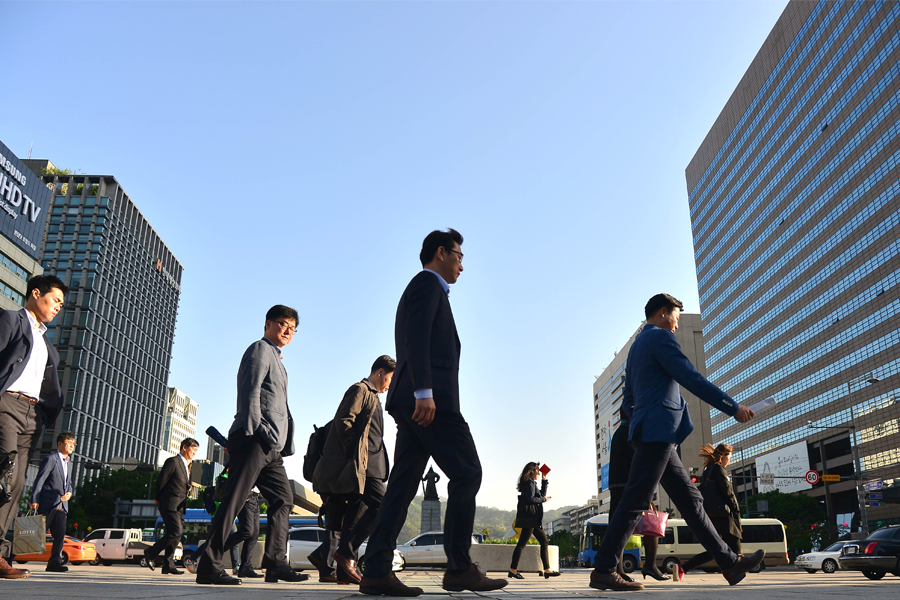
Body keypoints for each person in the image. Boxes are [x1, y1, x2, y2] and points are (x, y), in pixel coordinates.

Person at [360, 229, 506, 596]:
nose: (462, 264)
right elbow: (416, 338)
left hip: (417, 400)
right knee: (467, 471)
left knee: (403, 485)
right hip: (428, 401)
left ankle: (376, 569)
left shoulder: (429, 288)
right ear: (441, 252)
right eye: (459, 255)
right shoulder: (427, 284)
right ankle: (458, 566)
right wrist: (424, 391)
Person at [589, 293, 763, 592]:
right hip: (657, 430)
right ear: (662, 312)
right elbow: (690, 377)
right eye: (676, 318)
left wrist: (638, 423)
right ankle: (604, 569)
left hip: (653, 431)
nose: (676, 326)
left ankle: (730, 564)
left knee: (691, 500)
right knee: (636, 500)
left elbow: (628, 400)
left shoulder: (636, 348)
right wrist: (733, 407)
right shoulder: (659, 339)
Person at [195, 305, 308, 586]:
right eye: (283, 324)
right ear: (268, 323)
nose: (287, 331)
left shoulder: (278, 359)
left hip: (272, 446)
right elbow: (250, 390)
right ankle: (209, 566)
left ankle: (276, 563)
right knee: (234, 498)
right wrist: (254, 430)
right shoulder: (259, 349)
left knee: (284, 499)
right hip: (255, 438)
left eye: (293, 328)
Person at [0, 274, 67, 579]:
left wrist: (42, 416)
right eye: (55, 300)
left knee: (14, 487)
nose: (58, 308)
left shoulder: (47, 345)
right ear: (36, 293)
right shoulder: (11, 321)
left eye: (62, 305)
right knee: (5, 474)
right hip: (7, 405)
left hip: (32, 415)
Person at [313, 355, 395, 585]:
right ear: (380, 372)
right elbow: (343, 421)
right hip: (365, 466)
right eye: (389, 378)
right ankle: (347, 553)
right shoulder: (360, 389)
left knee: (356, 513)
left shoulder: (374, 397)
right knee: (385, 506)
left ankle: (342, 570)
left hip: (372, 466)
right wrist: (356, 453)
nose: (390, 384)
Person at [607, 406, 669, 582]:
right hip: (629, 488)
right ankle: (648, 566)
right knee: (649, 526)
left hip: (618, 487)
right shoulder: (630, 433)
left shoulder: (621, 432)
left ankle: (618, 569)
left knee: (617, 528)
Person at [681, 443, 742, 573]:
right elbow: (728, 492)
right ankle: (736, 570)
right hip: (724, 514)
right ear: (723, 456)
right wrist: (736, 510)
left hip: (711, 514)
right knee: (735, 543)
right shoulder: (719, 469)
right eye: (729, 458)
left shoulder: (707, 470)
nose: (729, 461)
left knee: (716, 549)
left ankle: (684, 567)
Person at [145, 437, 199, 574]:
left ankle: (168, 565)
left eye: (196, 450)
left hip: (180, 505)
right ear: (184, 447)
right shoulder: (173, 461)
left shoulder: (187, 466)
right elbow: (161, 480)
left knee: (174, 534)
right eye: (193, 449)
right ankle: (150, 552)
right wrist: (157, 498)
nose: (194, 452)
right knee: (176, 532)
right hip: (169, 503)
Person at [29, 431, 75, 572]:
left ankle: (54, 562)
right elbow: (40, 480)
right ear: (60, 444)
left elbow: (69, 483)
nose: (72, 446)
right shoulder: (51, 459)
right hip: (48, 503)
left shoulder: (69, 463)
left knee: (60, 534)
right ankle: (8, 557)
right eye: (69, 443)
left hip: (62, 505)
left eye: (74, 444)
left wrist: (70, 493)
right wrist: (34, 498)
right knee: (36, 534)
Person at [507, 462, 558, 579]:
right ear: (532, 471)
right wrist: (543, 499)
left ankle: (547, 569)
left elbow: (541, 495)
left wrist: (544, 481)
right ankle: (513, 569)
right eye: (538, 471)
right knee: (522, 544)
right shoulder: (530, 483)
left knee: (543, 541)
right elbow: (531, 499)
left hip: (532, 519)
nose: (539, 473)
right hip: (531, 519)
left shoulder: (531, 483)